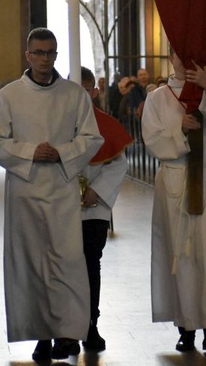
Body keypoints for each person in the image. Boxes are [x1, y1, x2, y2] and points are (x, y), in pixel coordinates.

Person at [0, 28, 103, 362]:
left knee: (66, 263)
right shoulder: (10, 95)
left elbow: (92, 138)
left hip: (62, 190)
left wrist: (62, 152)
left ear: (56, 56)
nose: (44, 59)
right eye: (38, 52)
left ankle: (67, 332)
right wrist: (32, 151)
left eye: (50, 53)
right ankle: (41, 336)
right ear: (28, 55)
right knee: (32, 264)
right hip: (25, 189)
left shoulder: (74, 94)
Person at [141, 48, 206, 352]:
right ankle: (186, 328)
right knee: (181, 252)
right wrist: (178, 129)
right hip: (175, 176)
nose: (185, 61)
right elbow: (152, 138)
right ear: (171, 57)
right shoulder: (158, 97)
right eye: (179, 55)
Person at [78, 67, 132, 352]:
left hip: (93, 207)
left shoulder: (106, 124)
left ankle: (90, 325)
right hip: (62, 207)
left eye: (85, 89)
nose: (80, 95)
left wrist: (95, 190)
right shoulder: (56, 123)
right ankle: (61, 330)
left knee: (90, 264)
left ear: (94, 91)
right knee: (61, 267)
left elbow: (118, 163)